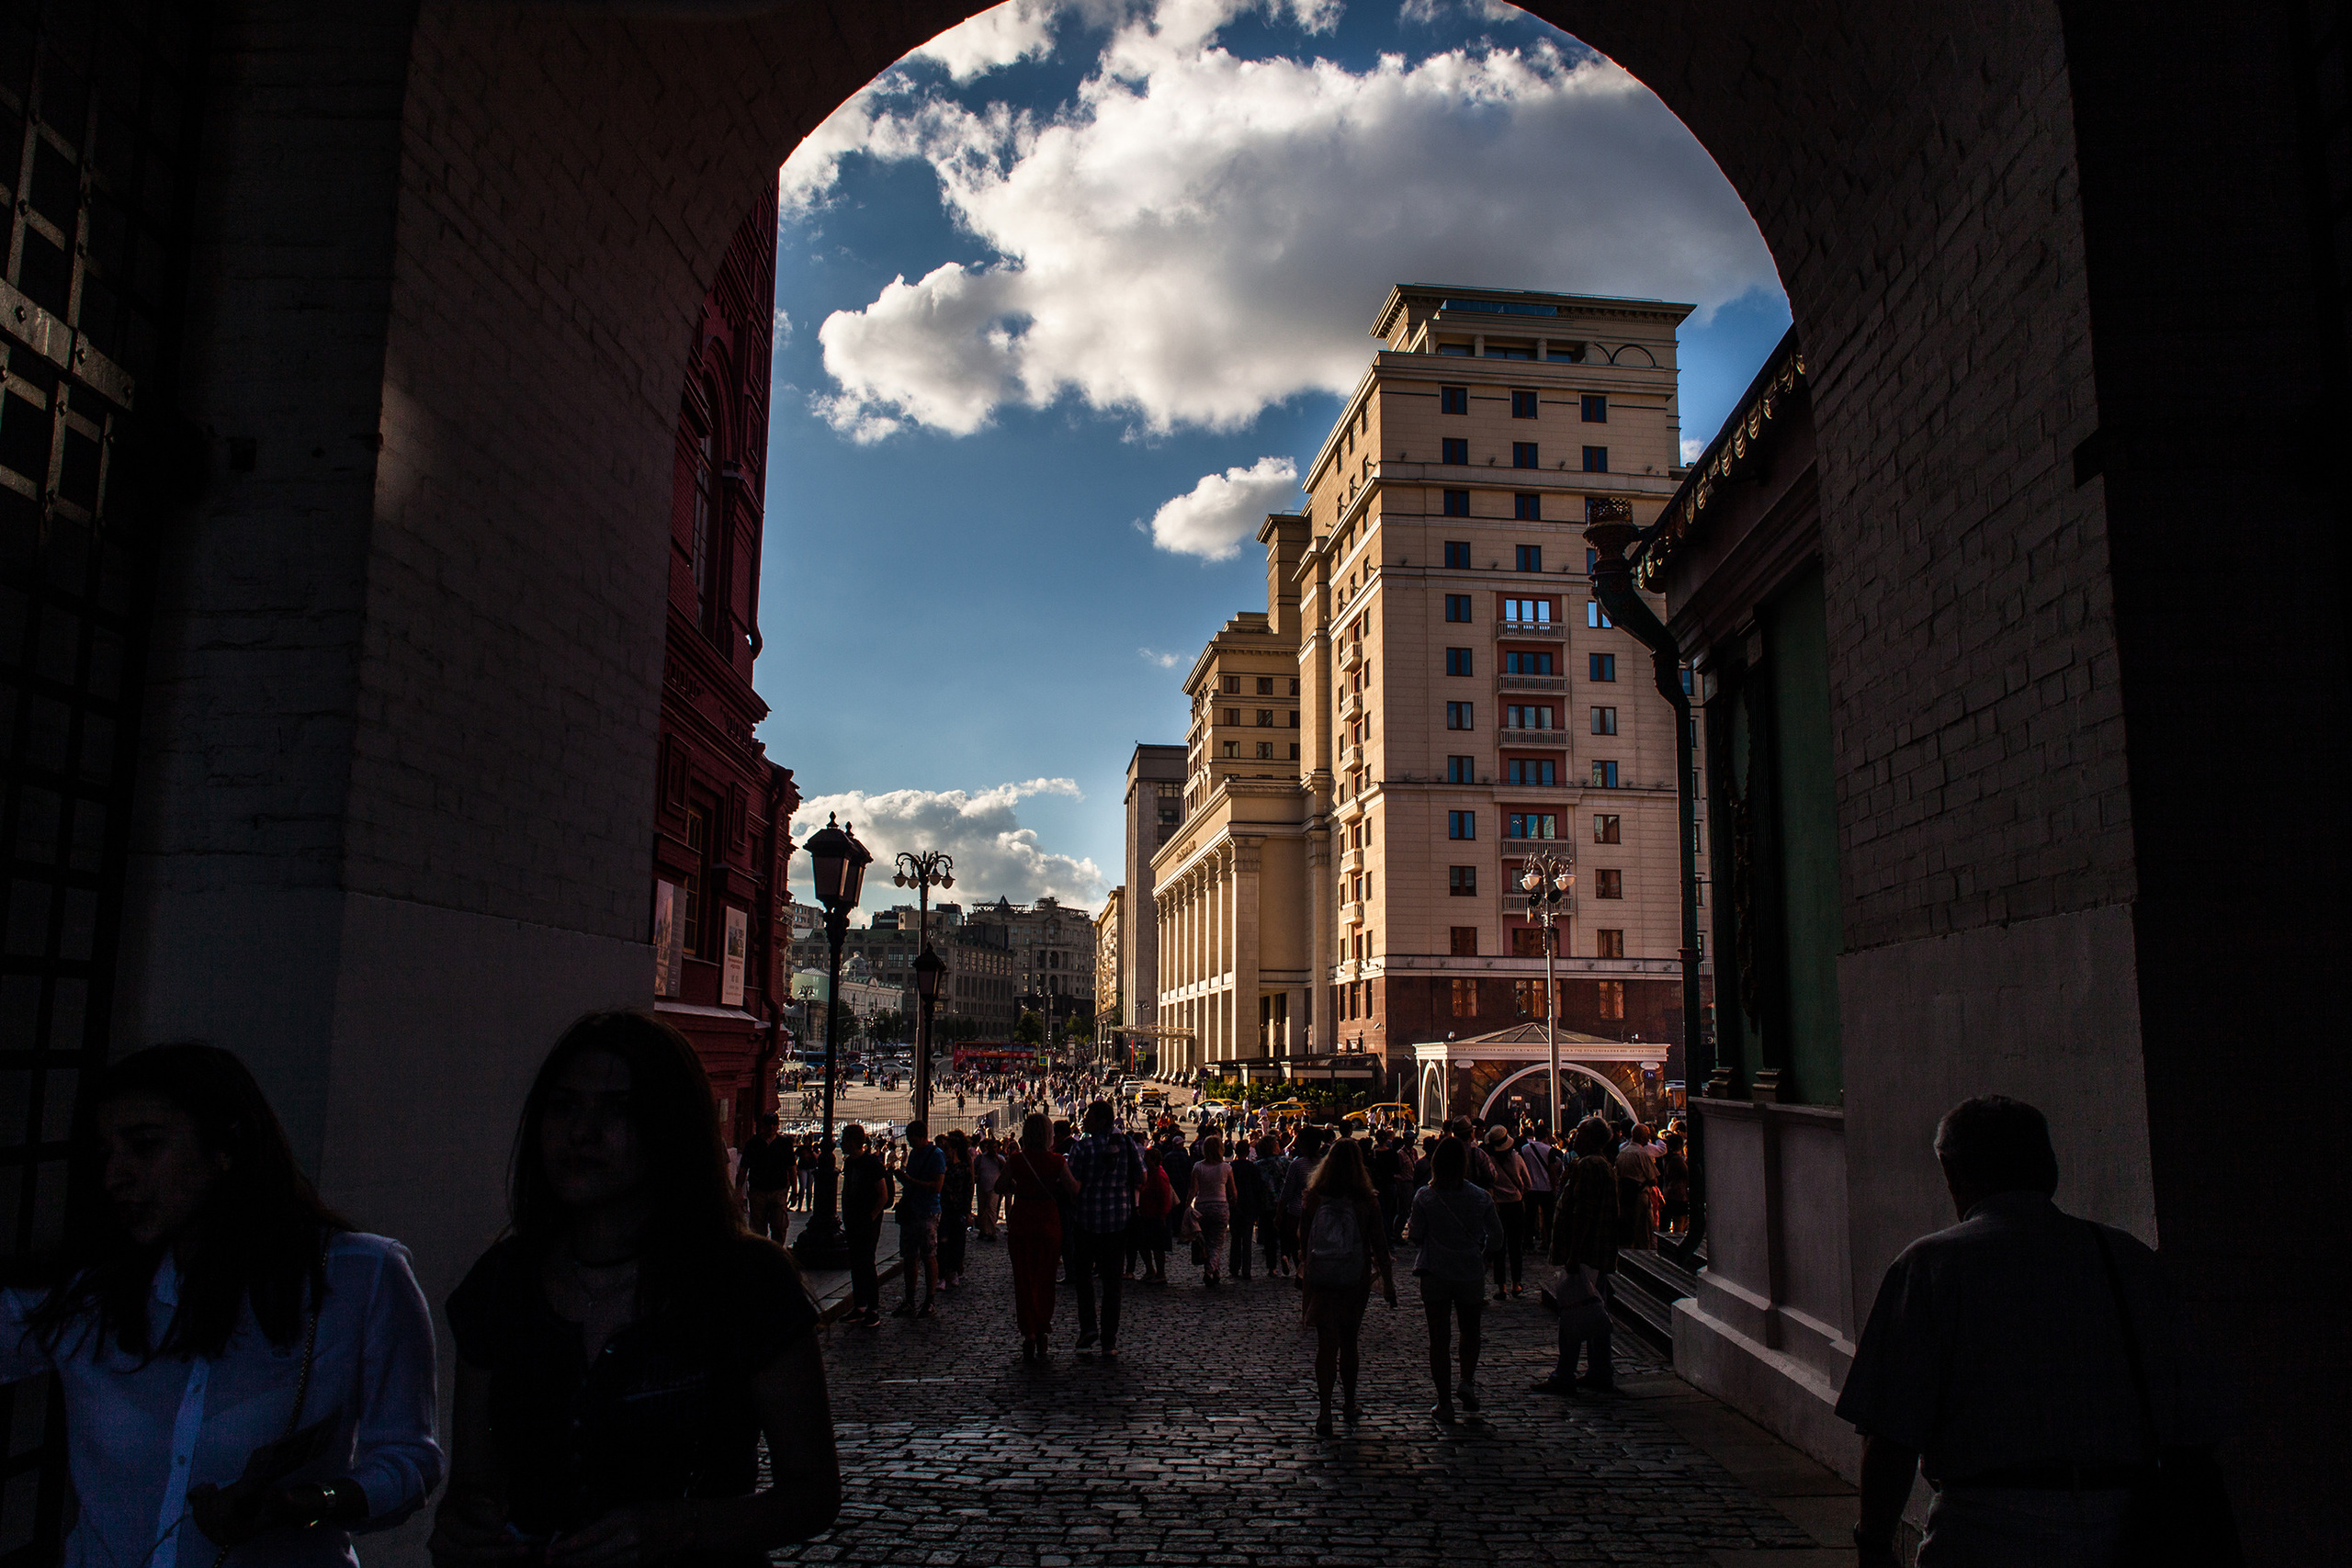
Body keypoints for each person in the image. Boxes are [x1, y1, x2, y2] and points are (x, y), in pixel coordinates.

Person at [0, 1043, 441, 1566]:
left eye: (144, 1146)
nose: (116, 1175)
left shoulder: (357, 1277)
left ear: (225, 1147)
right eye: (105, 1154)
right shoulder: (86, 1294)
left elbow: (409, 1458)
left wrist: (306, 1503)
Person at [430, 1010, 841, 1566]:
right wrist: (465, 1529)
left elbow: (813, 1493)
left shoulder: (746, 1284)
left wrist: (686, 1527)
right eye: (564, 1106)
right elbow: (473, 1485)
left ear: (671, 1128)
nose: (582, 1132)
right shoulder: (500, 1285)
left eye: (618, 1109)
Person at [1836, 1096, 2223, 1568]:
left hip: (1982, 1530)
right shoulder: (2129, 1260)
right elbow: (2193, 1413)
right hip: (2122, 1529)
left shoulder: (1931, 1267)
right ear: (2048, 1169)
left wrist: (1873, 1543)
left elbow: (1892, 1433)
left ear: (1953, 1173)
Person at [1296, 1139, 1395, 1437]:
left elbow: (1305, 1238)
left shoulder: (1315, 1197)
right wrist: (1388, 1282)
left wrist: (1305, 1273)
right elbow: (1380, 1244)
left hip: (1322, 1275)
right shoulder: (1366, 1200)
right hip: (1354, 1276)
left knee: (1326, 1345)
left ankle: (1325, 1411)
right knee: (1349, 1341)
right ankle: (1349, 1402)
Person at [1406, 1134, 1504, 1425]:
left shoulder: (1425, 1197)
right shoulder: (1480, 1197)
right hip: (1469, 1270)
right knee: (1470, 1331)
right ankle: (1467, 1381)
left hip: (1435, 1271)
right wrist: (1485, 1256)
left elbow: (1415, 1236)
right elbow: (1497, 1235)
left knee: (1439, 1339)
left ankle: (1444, 1402)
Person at [1544, 1116, 1623, 1394]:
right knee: (1594, 1311)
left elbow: (1583, 1211)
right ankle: (1600, 1370)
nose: (1574, 1136)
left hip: (1587, 1253)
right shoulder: (1601, 1164)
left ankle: (1565, 1373)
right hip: (1597, 1251)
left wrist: (1574, 1253)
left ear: (1589, 1137)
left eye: (1579, 1132)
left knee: (1574, 1312)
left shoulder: (1589, 1166)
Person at [995, 1113, 1078, 1360]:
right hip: (1048, 1221)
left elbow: (999, 1186)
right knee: (1046, 1278)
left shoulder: (1017, 1159)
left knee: (1023, 1279)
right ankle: (1042, 1328)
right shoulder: (1056, 1161)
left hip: (1022, 1219)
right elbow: (1074, 1191)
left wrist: (1018, 1187)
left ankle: (1028, 1331)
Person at [1066, 1103, 1147, 1355]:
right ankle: (1109, 1339)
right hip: (1118, 1222)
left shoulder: (1082, 1147)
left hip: (1086, 1221)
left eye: (1088, 1116)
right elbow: (1142, 1178)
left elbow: (1072, 1185)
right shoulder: (1127, 1144)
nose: (1084, 1120)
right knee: (1113, 1283)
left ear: (1101, 1121)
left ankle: (1088, 1327)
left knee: (1084, 1279)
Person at [891, 1122, 946, 1318]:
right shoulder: (914, 1154)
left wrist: (909, 1181)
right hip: (911, 1210)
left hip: (927, 1211)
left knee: (928, 1256)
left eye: (912, 1139)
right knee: (909, 1257)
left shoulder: (936, 1155)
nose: (909, 1143)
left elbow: (937, 1186)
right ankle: (910, 1299)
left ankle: (929, 1301)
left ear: (922, 1137)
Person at [838, 1126, 890, 1329]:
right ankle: (860, 1305)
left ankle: (873, 1309)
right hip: (853, 1220)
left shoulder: (871, 1163)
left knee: (867, 1263)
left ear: (852, 1141)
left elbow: (883, 1195)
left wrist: (871, 1217)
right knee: (856, 1262)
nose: (841, 1143)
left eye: (844, 1139)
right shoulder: (850, 1162)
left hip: (867, 1222)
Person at [1481, 1127, 1529, 1301]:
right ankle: (1516, 1284)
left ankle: (1502, 1287)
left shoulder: (1489, 1160)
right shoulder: (1517, 1158)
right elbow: (1528, 1182)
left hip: (1498, 1207)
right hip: (1515, 1204)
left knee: (1499, 1247)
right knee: (1516, 1247)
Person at [1186, 1136, 1235, 1288]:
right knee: (1217, 1243)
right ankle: (1210, 1270)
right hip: (1220, 1206)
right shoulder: (1226, 1168)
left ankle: (1215, 1271)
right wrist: (1233, 1202)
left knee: (1207, 1241)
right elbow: (1233, 1191)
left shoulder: (1198, 1167)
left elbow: (1193, 1190)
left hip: (1202, 1206)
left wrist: (1187, 1206)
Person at [739, 1116, 794, 1242]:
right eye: (769, 1124)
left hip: (778, 1190)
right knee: (758, 1227)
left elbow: (792, 1168)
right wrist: (738, 1189)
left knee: (779, 1225)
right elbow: (743, 1168)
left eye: (774, 1124)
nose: (771, 1127)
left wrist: (794, 1191)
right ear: (763, 1126)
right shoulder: (753, 1144)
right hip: (758, 1190)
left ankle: (777, 1249)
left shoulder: (784, 1144)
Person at [1227, 1140, 1270, 1281]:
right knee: (1247, 1239)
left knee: (1235, 1238)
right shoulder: (1253, 1167)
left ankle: (1234, 1267)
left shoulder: (1231, 1167)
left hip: (1235, 1206)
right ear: (1247, 1152)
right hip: (1250, 1206)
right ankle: (1247, 1269)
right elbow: (1258, 1188)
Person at [936, 1130, 974, 1291]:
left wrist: (967, 1211)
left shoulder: (963, 1167)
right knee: (943, 1242)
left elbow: (968, 1190)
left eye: (947, 1148)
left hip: (957, 1209)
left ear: (954, 1149)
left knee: (957, 1243)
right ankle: (942, 1275)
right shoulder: (943, 1166)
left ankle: (952, 1271)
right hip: (943, 1208)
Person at [1616, 1123, 1659, 1251]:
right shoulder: (1641, 1153)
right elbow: (1653, 1179)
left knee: (1627, 1229)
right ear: (1642, 1137)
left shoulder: (1622, 1153)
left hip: (1624, 1196)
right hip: (1640, 1197)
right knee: (1643, 1230)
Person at [972, 1136, 1005, 1242]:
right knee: (982, 1210)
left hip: (994, 1188)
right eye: (991, 1147)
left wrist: (997, 1158)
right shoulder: (981, 1158)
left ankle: (991, 1231)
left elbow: (1005, 1168)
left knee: (991, 1209)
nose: (993, 1150)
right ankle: (983, 1231)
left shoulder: (1000, 1159)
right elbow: (974, 1168)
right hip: (982, 1186)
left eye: (995, 1147)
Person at [1657, 1132, 1690, 1236]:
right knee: (1680, 1221)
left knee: (1668, 1223)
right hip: (1679, 1195)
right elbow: (1687, 1175)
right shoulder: (1677, 1160)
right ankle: (1677, 1240)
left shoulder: (1666, 1158)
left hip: (1668, 1192)